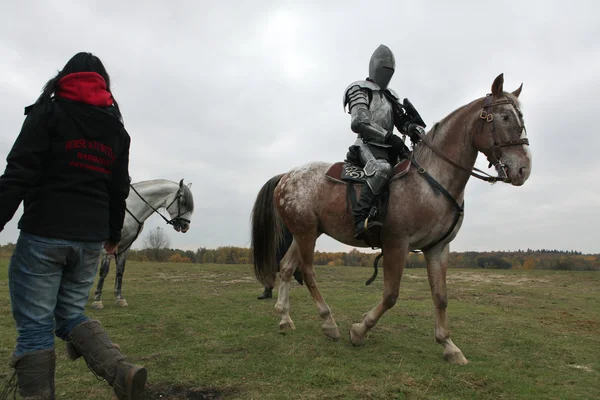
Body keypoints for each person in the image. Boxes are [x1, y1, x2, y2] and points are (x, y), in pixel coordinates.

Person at [0, 52, 146, 399]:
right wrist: (112, 232)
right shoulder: (117, 130)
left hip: (44, 232)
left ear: (63, 78)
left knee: (35, 330)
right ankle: (121, 371)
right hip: (90, 240)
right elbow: (118, 188)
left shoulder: (48, 112)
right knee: (69, 315)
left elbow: (19, 172)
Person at [343, 44, 425, 243]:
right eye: (384, 69)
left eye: (390, 71)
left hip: (391, 148)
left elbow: (401, 123)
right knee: (381, 169)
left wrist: (411, 128)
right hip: (366, 144)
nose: (387, 74)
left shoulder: (391, 96)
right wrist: (388, 137)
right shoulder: (359, 89)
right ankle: (361, 220)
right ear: (375, 67)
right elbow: (359, 121)